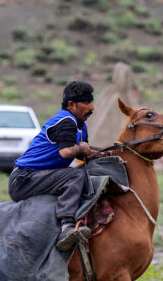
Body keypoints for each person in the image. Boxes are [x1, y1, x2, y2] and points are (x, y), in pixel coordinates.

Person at [8, 80, 97, 252]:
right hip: (23, 179)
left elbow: (84, 154)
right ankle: (66, 227)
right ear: (71, 105)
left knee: (83, 172)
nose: (92, 107)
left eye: (92, 102)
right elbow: (66, 152)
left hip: (38, 177)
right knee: (75, 176)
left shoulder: (81, 124)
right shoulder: (66, 121)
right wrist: (82, 148)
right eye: (86, 103)